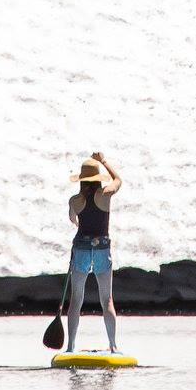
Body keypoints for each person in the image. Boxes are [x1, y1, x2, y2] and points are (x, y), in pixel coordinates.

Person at [66, 151, 122, 353]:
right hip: (101, 248)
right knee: (106, 299)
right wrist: (104, 160)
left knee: (76, 299)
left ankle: (70, 347)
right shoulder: (105, 195)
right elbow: (118, 180)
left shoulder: (75, 200)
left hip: (81, 247)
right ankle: (113, 346)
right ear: (97, 179)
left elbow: (73, 219)